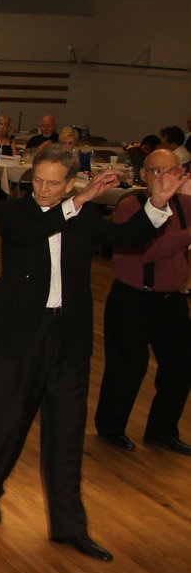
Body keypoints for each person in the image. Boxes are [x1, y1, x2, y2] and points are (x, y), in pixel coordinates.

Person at [0, 146, 182, 561]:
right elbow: (32, 231)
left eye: (54, 183)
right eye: (39, 181)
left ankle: (69, 526)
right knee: (8, 425)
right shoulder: (13, 212)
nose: (44, 189)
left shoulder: (82, 215)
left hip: (68, 337)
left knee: (67, 433)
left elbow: (127, 238)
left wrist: (157, 203)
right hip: (21, 336)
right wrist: (79, 200)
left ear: (69, 183)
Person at [93, 147, 191, 454]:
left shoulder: (186, 205)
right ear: (145, 175)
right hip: (132, 300)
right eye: (156, 171)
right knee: (127, 368)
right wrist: (187, 235)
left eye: (170, 171)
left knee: (181, 366)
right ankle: (111, 429)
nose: (163, 177)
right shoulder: (130, 206)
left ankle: (162, 431)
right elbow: (146, 250)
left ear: (181, 175)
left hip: (172, 301)